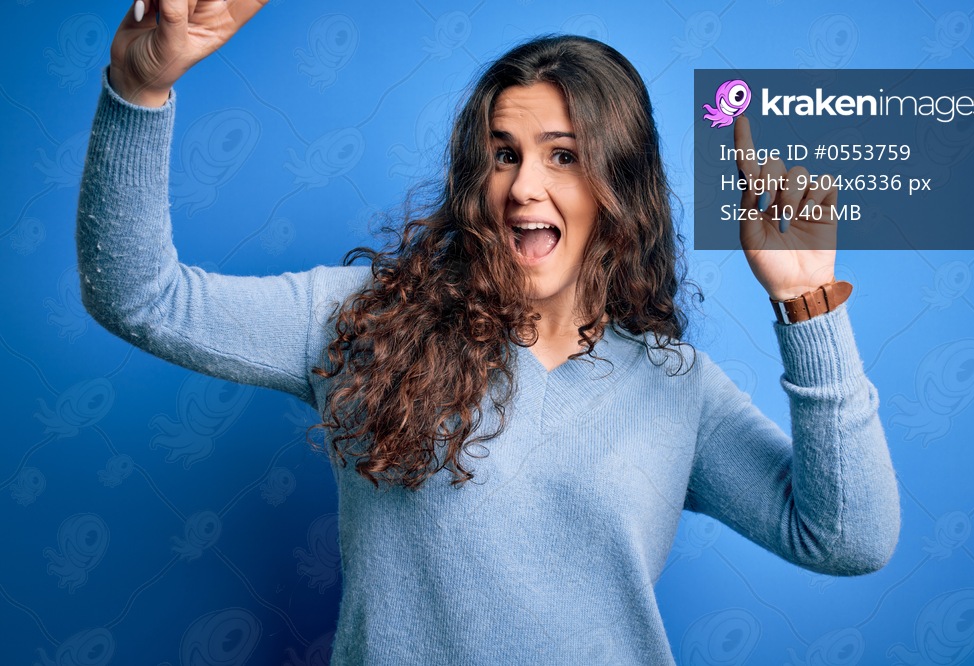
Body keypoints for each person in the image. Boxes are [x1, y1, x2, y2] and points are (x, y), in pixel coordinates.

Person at [78, 1, 900, 663]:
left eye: (564, 156)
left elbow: (848, 538)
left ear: (621, 187)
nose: (523, 187)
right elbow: (141, 295)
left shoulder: (673, 385)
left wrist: (808, 300)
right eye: (502, 155)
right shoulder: (361, 320)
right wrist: (138, 87)